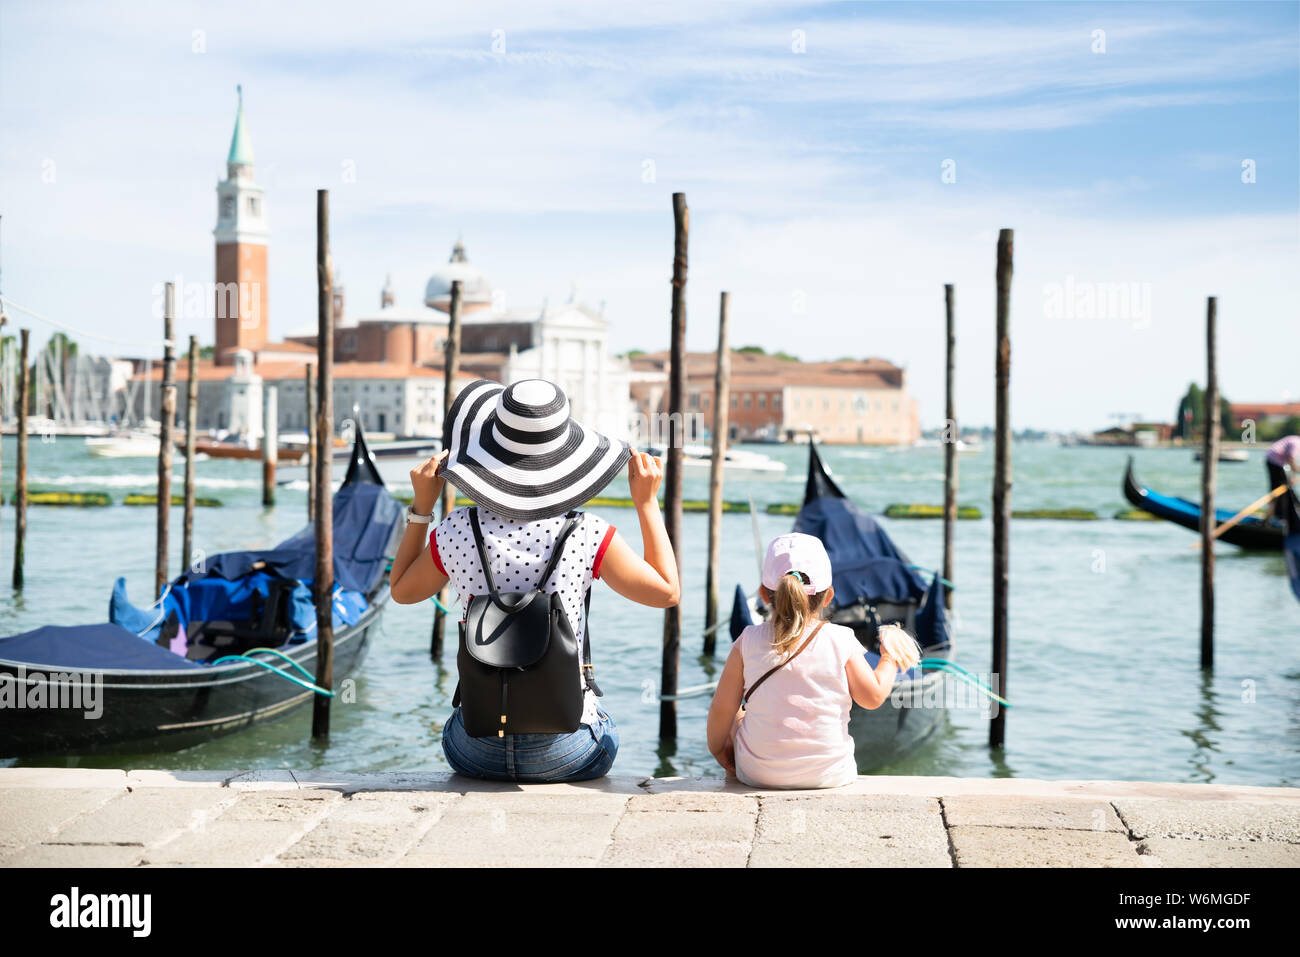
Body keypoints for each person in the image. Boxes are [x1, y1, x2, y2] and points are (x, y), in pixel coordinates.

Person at [389, 378, 679, 783]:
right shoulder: (589, 533)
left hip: (474, 750)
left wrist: (422, 506)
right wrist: (647, 504)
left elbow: (401, 591)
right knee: (604, 724)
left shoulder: (456, 530)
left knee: (460, 725)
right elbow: (667, 592)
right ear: (565, 457)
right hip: (568, 751)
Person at [706, 533, 921, 789]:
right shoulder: (841, 639)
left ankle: (733, 778)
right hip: (830, 775)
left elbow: (721, 708)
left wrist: (718, 749)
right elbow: (872, 697)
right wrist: (889, 657)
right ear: (828, 596)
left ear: (764, 594)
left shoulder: (747, 640)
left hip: (756, 775)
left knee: (737, 715)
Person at [1266, 434, 1299, 525]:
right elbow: (1290, 460)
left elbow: (1288, 462)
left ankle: (1282, 514)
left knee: (1285, 488)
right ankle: (1278, 516)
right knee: (1279, 489)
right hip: (1274, 461)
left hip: (1276, 461)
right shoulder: (1296, 443)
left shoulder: (1295, 440)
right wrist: (1295, 473)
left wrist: (1292, 476)